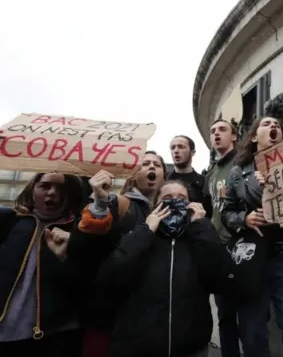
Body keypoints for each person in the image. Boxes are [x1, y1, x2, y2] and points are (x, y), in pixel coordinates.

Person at [0, 129, 85, 357]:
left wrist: (65, 258)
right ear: (33, 189)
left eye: (61, 188)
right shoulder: (4, 220)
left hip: (50, 340)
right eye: (45, 185)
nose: (53, 193)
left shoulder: (80, 234)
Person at [91, 179, 236, 357]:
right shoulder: (140, 235)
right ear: (155, 206)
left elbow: (221, 280)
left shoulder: (198, 237)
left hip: (190, 348)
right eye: (167, 197)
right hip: (138, 348)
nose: (175, 202)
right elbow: (109, 278)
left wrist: (201, 227)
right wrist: (145, 231)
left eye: (181, 198)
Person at [222, 116, 283, 357]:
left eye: (278, 126)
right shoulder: (238, 173)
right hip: (252, 261)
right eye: (267, 124)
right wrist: (244, 218)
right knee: (252, 338)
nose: (274, 127)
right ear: (253, 137)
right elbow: (226, 212)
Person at [66, 151, 167, 357]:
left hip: (148, 317)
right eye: (145, 163)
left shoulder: (167, 212)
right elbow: (80, 245)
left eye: (157, 164)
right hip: (109, 315)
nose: (151, 167)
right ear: (133, 174)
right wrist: (100, 204)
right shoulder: (116, 202)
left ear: (164, 176)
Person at [203, 118, 240, 357]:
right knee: (225, 315)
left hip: (244, 246)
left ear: (234, 136)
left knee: (251, 314)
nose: (217, 134)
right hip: (220, 250)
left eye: (222, 130)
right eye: (213, 130)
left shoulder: (244, 162)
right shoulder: (211, 173)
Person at [168, 135, 206, 205]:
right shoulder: (165, 181)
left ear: (192, 152)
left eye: (181, 147)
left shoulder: (204, 182)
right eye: (173, 148)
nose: (176, 151)